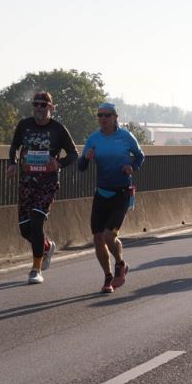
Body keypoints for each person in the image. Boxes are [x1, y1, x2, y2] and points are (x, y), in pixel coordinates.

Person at [7, 91, 78, 284]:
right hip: (26, 183)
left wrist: (59, 163)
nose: (39, 108)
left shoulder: (58, 129)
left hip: (47, 183)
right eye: (36, 104)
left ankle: (35, 269)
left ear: (51, 108)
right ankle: (46, 246)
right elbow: (14, 147)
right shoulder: (24, 125)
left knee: (37, 222)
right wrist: (11, 163)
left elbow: (74, 154)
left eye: (43, 105)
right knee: (25, 230)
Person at [78, 103, 145, 294]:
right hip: (101, 194)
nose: (103, 118)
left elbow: (140, 156)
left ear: (115, 117)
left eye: (107, 115)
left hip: (121, 193)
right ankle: (108, 277)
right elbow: (81, 167)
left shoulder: (125, 137)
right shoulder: (94, 139)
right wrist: (86, 158)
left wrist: (132, 167)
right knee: (98, 238)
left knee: (109, 236)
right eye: (100, 115)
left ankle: (120, 264)